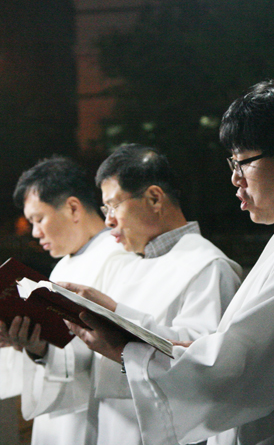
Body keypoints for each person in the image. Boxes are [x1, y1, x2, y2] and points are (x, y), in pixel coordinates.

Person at [67, 77, 274, 444]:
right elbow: (233, 348)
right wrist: (120, 318)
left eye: (243, 162)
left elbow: (237, 372)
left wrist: (124, 348)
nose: (234, 178)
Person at [15, 145, 242, 445]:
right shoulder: (132, 265)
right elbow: (97, 367)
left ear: (154, 199)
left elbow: (205, 366)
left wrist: (116, 313)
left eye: (113, 206)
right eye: (105, 209)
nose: (108, 221)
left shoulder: (209, 266)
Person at [0, 156, 136, 445]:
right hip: (59, 418)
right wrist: (24, 341)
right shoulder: (62, 266)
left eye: (38, 219)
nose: (34, 232)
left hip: (101, 417)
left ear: (73, 208)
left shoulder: (121, 257)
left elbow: (117, 353)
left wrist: (43, 348)